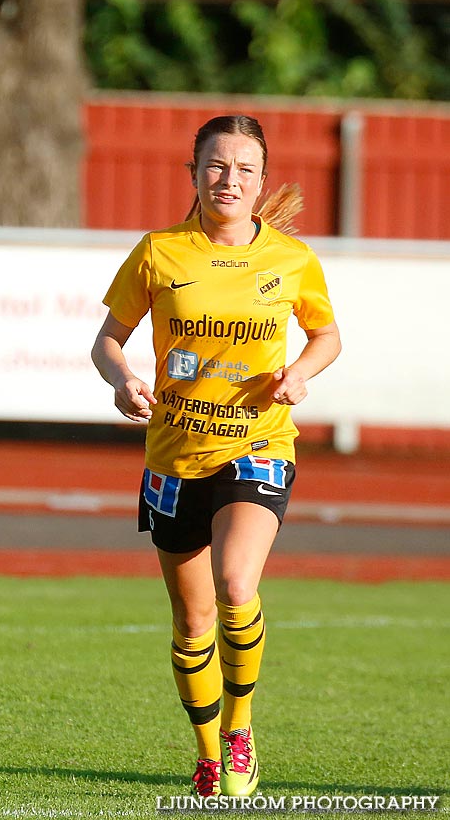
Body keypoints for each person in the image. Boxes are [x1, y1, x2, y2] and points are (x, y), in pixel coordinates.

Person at [90, 115, 341, 798]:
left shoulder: (290, 259)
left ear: (262, 182)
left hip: (259, 443)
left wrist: (300, 371)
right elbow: (107, 340)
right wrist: (122, 380)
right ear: (193, 172)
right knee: (193, 622)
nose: (230, 180)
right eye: (217, 166)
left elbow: (327, 336)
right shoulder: (158, 252)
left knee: (237, 586)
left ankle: (240, 729)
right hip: (174, 455)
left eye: (245, 169)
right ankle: (206, 751)